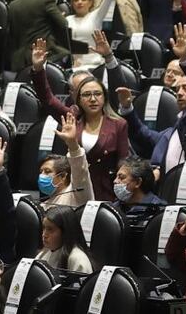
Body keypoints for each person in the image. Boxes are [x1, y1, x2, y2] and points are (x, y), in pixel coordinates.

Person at [31, 39, 129, 201]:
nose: (93, 99)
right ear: (78, 100)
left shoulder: (118, 124)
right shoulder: (72, 118)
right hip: (74, 192)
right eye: (86, 95)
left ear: (104, 97)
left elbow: (123, 164)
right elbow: (47, 99)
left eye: (97, 94)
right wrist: (38, 69)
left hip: (104, 193)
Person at [117, 24, 186, 177]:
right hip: (162, 185)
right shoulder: (170, 133)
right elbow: (142, 133)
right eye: (178, 89)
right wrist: (127, 107)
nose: (179, 93)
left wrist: (185, 59)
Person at [6, 0, 68, 71]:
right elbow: (64, 24)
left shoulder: (13, 4)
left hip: (20, 58)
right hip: (45, 53)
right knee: (68, 55)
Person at [64, 0, 117, 70]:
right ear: (72, 3)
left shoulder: (95, 16)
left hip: (96, 66)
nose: (79, 2)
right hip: (76, 68)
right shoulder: (67, 20)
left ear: (90, 2)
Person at [37, 113, 94, 208]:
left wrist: (72, 144)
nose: (42, 176)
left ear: (63, 176)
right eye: (41, 172)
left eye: (47, 171)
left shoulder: (77, 195)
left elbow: (80, 171)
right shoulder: (43, 205)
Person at [36, 205, 94, 273]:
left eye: (50, 229)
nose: (44, 235)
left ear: (65, 232)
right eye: (44, 228)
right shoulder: (43, 254)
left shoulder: (78, 259)